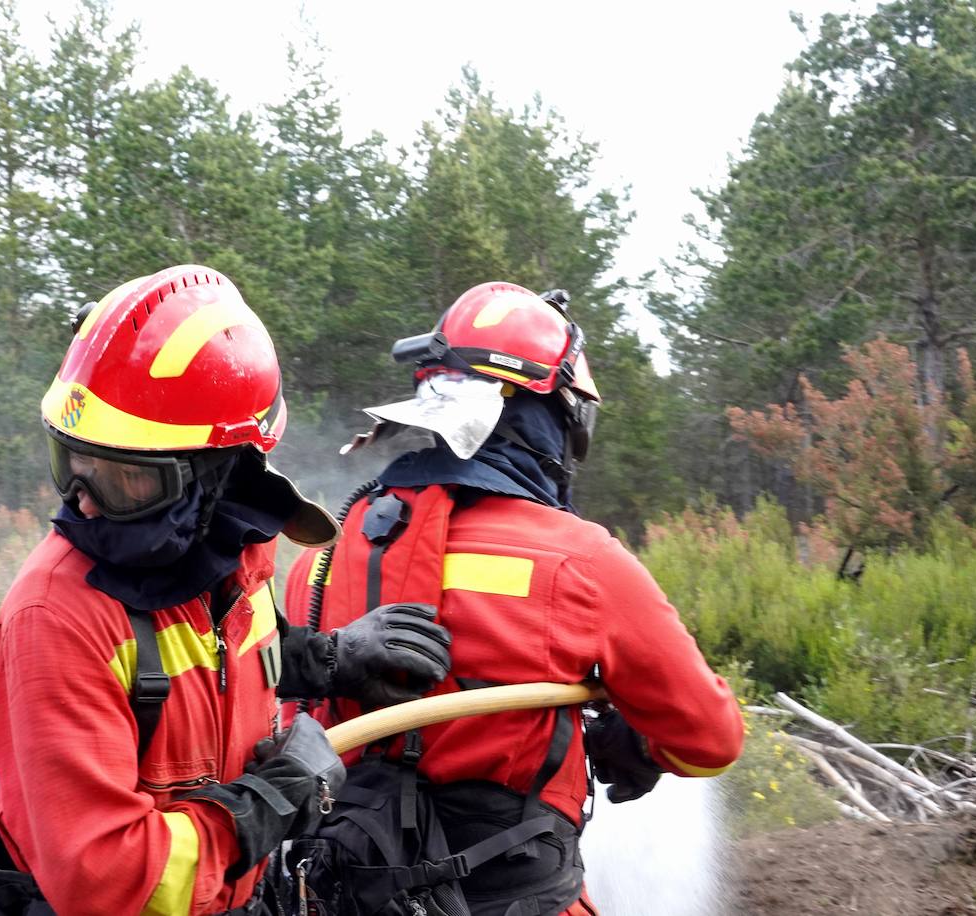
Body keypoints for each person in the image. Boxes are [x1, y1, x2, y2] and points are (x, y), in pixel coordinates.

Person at [0, 265, 453, 916]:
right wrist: (268, 803)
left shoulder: (234, 555)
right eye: (71, 464)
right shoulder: (57, 615)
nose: (84, 503)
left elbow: (222, 661)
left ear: (222, 470)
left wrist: (326, 661)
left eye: (125, 479)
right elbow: (107, 880)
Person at [283, 281, 744, 916]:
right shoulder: (582, 562)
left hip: (343, 891)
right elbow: (710, 737)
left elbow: (284, 721)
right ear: (551, 418)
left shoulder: (319, 559)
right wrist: (638, 744)